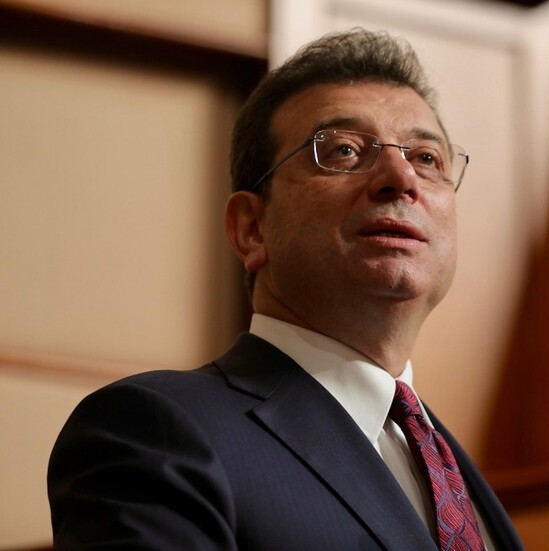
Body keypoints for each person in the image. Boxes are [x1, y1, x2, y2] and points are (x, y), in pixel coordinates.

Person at [48, 28, 524, 550]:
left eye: (427, 158)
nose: (400, 176)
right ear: (251, 228)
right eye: (344, 150)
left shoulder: (454, 470)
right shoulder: (155, 430)